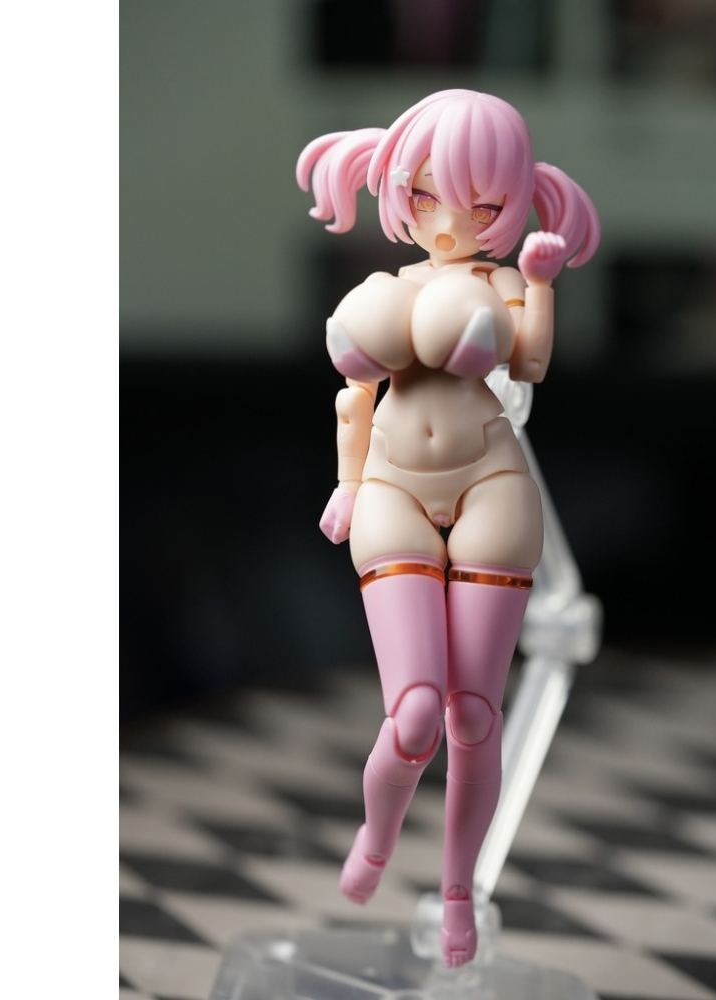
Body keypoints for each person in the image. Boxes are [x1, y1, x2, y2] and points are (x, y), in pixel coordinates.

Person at [297, 89, 600, 967]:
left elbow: (529, 360)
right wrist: (347, 485)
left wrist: (537, 283)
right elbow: (353, 400)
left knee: (473, 715)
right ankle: (378, 836)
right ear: (398, 189)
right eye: (426, 195)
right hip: (392, 485)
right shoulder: (386, 292)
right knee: (416, 713)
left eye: (479, 203)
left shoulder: (499, 285)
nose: (448, 220)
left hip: (490, 484)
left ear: (511, 202)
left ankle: (458, 887)